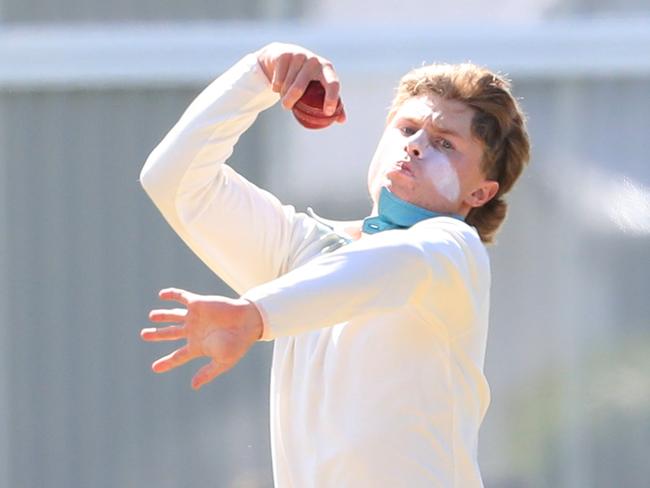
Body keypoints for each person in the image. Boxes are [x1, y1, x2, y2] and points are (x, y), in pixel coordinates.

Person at [139, 42, 530, 487]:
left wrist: (256, 315)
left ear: (479, 193)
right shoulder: (303, 249)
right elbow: (173, 181)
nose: (416, 146)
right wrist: (259, 74)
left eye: (444, 143)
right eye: (406, 129)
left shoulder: (454, 250)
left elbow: (396, 264)